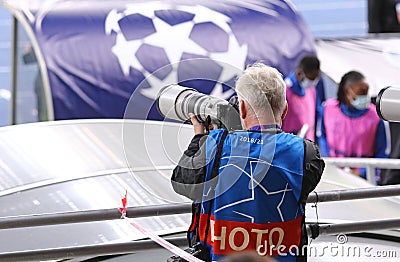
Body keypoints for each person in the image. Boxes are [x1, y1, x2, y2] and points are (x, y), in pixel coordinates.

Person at [171, 63, 325, 261]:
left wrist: (199, 138)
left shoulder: (217, 143)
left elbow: (183, 183)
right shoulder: (306, 152)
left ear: (241, 108)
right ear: (285, 110)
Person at [318, 71, 390, 180]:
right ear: (347, 91)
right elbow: (322, 137)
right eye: (362, 92)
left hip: (364, 178)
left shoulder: (376, 117)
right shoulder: (328, 109)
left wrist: (361, 172)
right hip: (333, 172)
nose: (366, 96)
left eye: (367, 92)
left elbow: (382, 152)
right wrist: (328, 161)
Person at [281, 55, 325, 141]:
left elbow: (317, 114)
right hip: (289, 143)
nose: (313, 82)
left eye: (316, 78)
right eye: (311, 78)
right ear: (300, 73)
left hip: (308, 144)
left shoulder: (311, 90)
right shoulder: (284, 91)